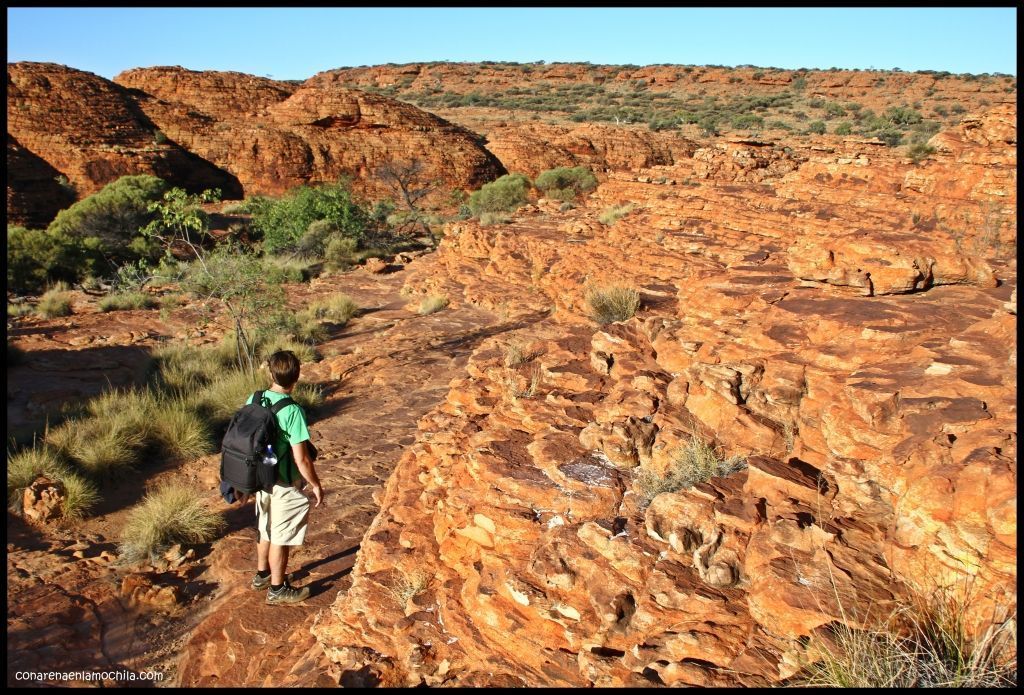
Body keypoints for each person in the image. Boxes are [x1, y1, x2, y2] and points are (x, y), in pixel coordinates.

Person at [238, 350, 324, 605]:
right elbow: (302, 458)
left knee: (265, 528)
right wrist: (315, 484)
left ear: (270, 373)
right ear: (296, 377)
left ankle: (261, 575)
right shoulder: (292, 411)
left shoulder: (255, 398)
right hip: (284, 481)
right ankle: (277, 589)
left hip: (261, 477)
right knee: (281, 536)